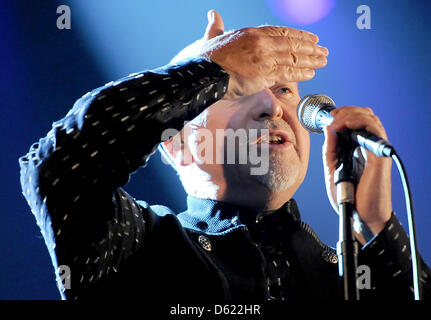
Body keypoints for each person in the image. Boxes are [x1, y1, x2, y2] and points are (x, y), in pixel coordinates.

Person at [19, 10, 430, 301]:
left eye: (284, 89)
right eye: (241, 89)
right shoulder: (134, 248)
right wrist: (211, 69)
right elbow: (59, 170)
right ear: (177, 143)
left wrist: (376, 227)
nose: (273, 107)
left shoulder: (346, 276)